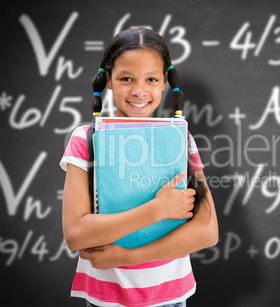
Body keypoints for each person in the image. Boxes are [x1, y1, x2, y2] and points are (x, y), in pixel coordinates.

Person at [60, 27, 218, 307]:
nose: (139, 90)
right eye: (126, 78)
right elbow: (75, 235)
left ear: (164, 83)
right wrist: (157, 209)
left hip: (170, 298)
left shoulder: (181, 138)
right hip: (105, 299)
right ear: (108, 80)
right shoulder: (86, 139)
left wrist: (126, 256)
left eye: (152, 79)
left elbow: (207, 231)